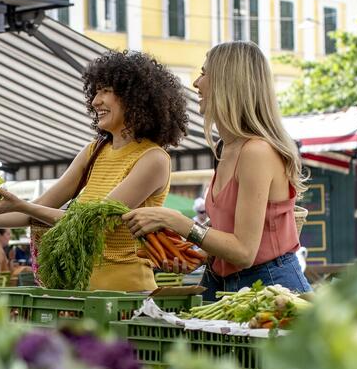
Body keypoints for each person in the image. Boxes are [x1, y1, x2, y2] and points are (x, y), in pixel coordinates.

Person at [0, 50, 188, 291]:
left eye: (105, 91)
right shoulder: (94, 151)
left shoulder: (153, 159)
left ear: (135, 97)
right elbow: (40, 209)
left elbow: (90, 224)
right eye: (95, 91)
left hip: (127, 294)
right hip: (80, 291)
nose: (95, 101)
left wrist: (22, 205)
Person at [122, 40, 311, 300]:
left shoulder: (257, 152)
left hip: (269, 288)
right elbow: (229, 228)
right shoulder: (227, 148)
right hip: (220, 283)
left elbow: (244, 252)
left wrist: (175, 221)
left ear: (227, 82)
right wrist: (196, 253)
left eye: (204, 73)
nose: (196, 83)